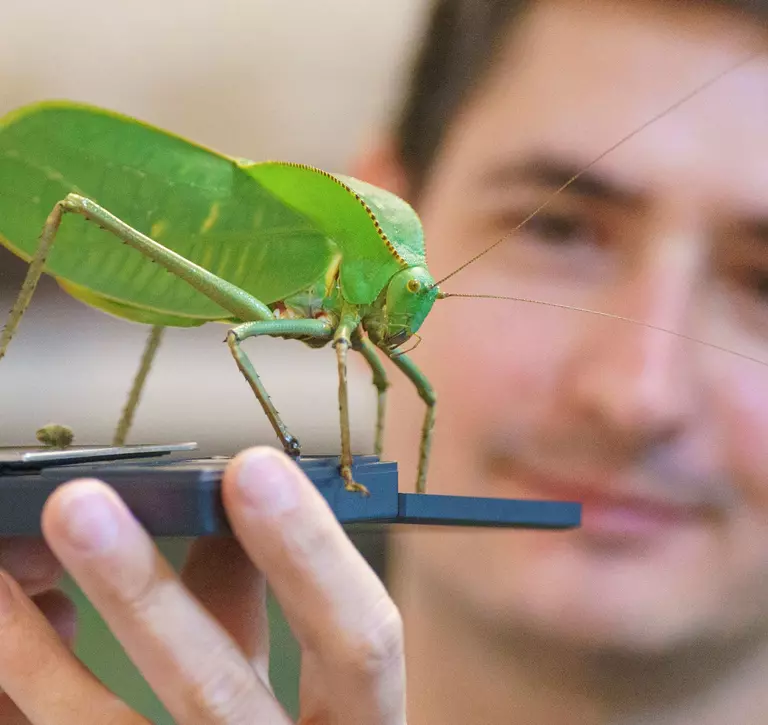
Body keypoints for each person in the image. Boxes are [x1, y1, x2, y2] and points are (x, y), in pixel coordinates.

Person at [0, 0, 767, 722]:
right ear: (401, 190)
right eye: (561, 231)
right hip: (212, 263)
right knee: (107, 230)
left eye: (762, 281)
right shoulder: (348, 268)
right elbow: (247, 337)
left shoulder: (380, 323)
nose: (638, 393)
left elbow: (396, 386)